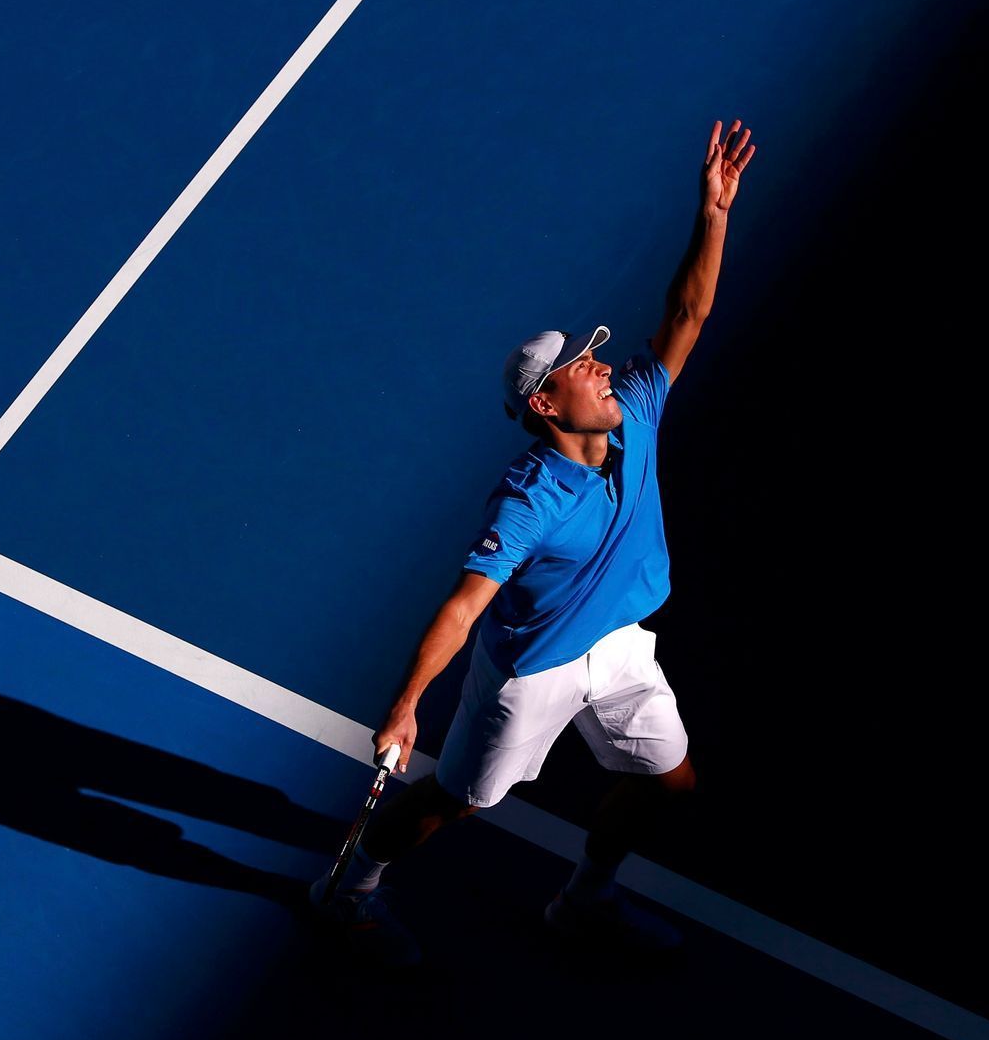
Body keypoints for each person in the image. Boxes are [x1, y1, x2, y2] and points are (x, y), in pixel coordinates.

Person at [309, 119, 757, 966]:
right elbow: (462, 605)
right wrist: (406, 706)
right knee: (457, 800)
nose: (600, 363)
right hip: (533, 670)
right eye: (579, 368)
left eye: (595, 356)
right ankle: (346, 889)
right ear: (546, 408)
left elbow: (688, 309)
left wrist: (714, 212)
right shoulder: (530, 500)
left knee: (669, 782)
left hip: (616, 646)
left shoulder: (638, 414)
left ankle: (583, 900)